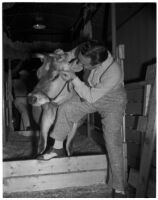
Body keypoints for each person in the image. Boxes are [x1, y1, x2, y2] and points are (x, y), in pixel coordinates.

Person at [38, 40, 127, 197]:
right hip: (93, 91)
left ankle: (119, 187)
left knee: (112, 140)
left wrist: (74, 79)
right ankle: (58, 149)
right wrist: (62, 55)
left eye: (85, 65)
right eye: (80, 60)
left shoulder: (113, 72)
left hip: (112, 101)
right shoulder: (88, 49)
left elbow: (91, 97)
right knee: (66, 108)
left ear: (97, 64)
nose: (80, 66)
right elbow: (71, 54)